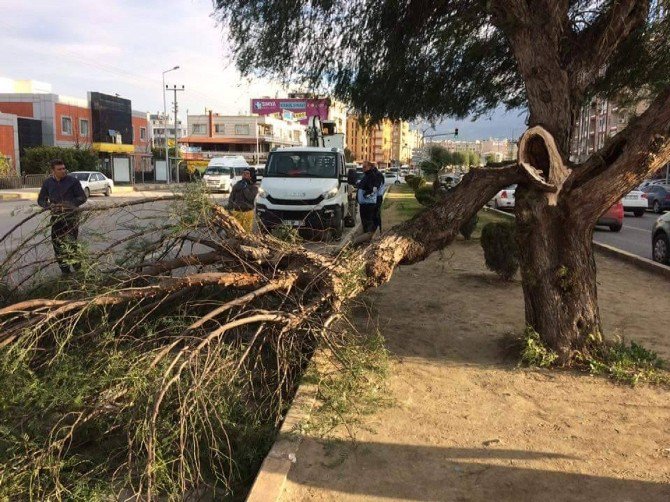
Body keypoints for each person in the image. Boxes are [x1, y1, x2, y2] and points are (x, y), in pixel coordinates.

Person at [37, 159, 88, 274]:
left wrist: (68, 205)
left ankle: (78, 269)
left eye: (64, 168)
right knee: (57, 244)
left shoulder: (73, 182)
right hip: (56, 219)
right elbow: (41, 200)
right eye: (59, 169)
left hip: (71, 218)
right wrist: (49, 206)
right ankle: (65, 271)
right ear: (53, 170)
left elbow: (82, 198)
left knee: (71, 243)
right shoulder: (48, 183)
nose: (63, 171)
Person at [227, 168, 258, 232]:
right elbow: (231, 198)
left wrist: (245, 188)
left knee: (246, 232)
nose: (244, 175)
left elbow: (250, 197)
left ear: (251, 176)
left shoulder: (254, 187)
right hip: (237, 212)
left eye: (247, 173)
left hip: (248, 213)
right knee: (236, 231)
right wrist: (229, 209)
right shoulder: (237, 185)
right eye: (243, 173)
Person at [358, 161, 383, 233]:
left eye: (364, 167)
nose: (363, 168)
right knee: (366, 221)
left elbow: (374, 188)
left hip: (368, 203)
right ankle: (367, 235)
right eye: (362, 167)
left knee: (370, 221)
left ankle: (369, 236)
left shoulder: (373, 176)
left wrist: (367, 195)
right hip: (365, 203)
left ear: (370, 167)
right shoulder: (367, 175)